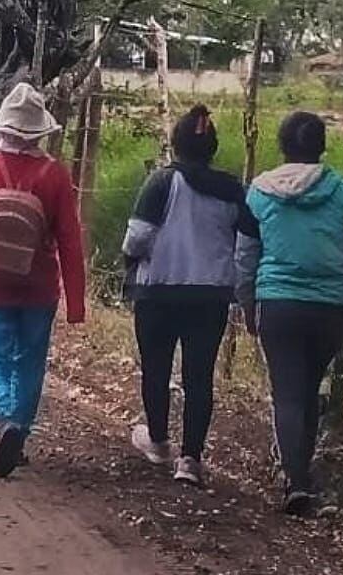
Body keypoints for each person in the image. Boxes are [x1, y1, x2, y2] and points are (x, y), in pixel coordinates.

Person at [236, 111, 343, 516]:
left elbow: (245, 257)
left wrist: (247, 304)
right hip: (329, 308)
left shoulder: (259, 193)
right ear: (321, 147)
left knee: (287, 391)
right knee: (307, 389)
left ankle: (295, 478)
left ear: (283, 146)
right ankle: (300, 470)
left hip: (278, 304)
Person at [0, 82, 86, 478]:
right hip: (38, 287)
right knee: (29, 362)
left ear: (3, 128)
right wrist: (75, 303)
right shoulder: (55, 175)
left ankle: (2, 421)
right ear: (40, 131)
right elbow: (70, 242)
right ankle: (19, 433)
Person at [122, 105, 244, 486]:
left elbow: (138, 237)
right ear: (212, 148)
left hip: (158, 291)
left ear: (175, 146)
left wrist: (129, 260)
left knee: (156, 369)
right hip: (210, 297)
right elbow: (246, 242)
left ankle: (158, 442)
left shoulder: (162, 182)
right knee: (199, 376)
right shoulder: (233, 190)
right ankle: (191, 458)